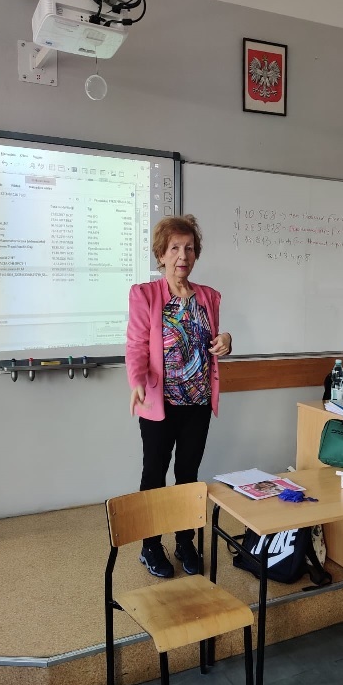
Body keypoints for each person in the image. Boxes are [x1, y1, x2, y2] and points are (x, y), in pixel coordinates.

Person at [126, 214, 232, 578]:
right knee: (154, 473)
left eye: (188, 248)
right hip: (160, 403)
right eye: (174, 248)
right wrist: (137, 380)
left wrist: (226, 340)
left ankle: (185, 541)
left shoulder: (208, 297)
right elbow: (136, 345)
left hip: (197, 402)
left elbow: (213, 339)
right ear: (161, 254)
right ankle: (150, 546)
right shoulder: (145, 295)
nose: (182, 256)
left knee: (188, 474)